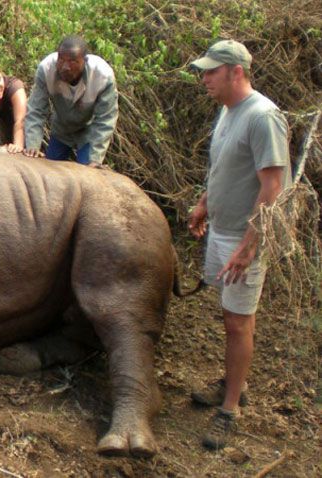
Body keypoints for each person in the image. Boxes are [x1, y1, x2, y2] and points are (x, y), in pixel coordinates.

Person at [186, 39, 291, 450]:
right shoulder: (228, 111)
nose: (205, 78)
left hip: (244, 237)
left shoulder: (262, 116)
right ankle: (234, 381)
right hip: (222, 228)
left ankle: (230, 408)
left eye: (212, 71)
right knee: (230, 315)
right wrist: (203, 204)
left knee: (238, 321)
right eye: (205, 71)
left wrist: (249, 247)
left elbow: (272, 186)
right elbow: (222, 167)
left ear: (236, 72)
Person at [23, 35, 119, 166]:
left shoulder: (102, 76)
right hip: (61, 128)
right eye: (61, 59)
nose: (65, 67)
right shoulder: (46, 69)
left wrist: (95, 158)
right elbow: (36, 110)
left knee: (88, 173)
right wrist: (32, 145)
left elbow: (106, 119)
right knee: (50, 170)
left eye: (73, 61)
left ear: (85, 61)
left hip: (88, 131)